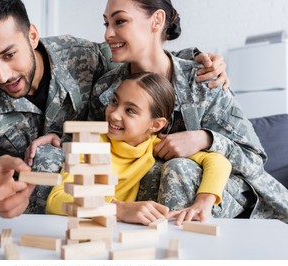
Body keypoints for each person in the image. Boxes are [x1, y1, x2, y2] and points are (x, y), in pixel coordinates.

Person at [0, 0, 228, 224]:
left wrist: (192, 62)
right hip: (16, 194)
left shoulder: (82, 56)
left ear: (32, 35)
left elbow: (139, 56)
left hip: (79, 182)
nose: (1, 75)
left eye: (9, 54)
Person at [89, 0, 288, 221]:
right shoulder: (106, 89)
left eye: (120, 21)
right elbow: (91, 148)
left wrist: (205, 139)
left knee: (178, 168)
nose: (108, 34)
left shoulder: (204, 80)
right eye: (106, 23)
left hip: (218, 197)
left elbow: (254, 159)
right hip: (144, 203)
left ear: (157, 21)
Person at [45, 72, 232, 225]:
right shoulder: (91, 142)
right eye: (115, 102)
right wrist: (118, 208)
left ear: (156, 125)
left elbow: (218, 161)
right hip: (96, 227)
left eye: (130, 111)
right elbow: (55, 201)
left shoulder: (156, 146)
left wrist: (204, 201)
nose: (114, 114)